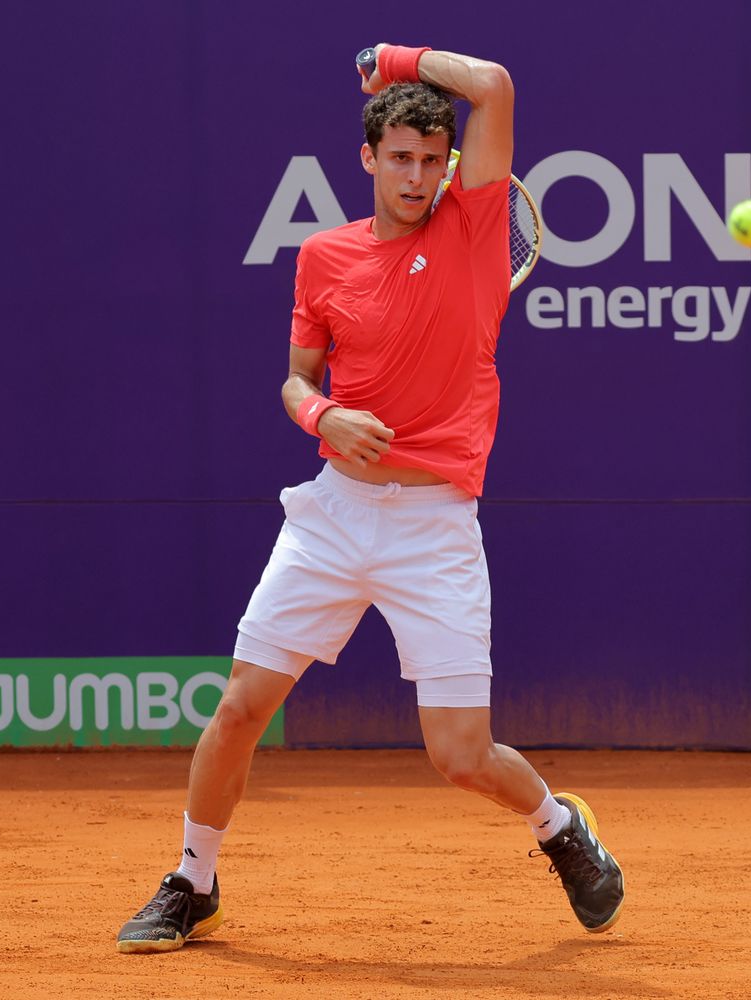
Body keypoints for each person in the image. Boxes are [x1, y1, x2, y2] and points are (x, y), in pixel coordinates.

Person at [116, 43, 625, 954]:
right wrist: (324, 418)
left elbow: (495, 85)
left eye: (434, 160)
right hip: (334, 514)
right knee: (238, 708)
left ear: (451, 166)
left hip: (434, 528)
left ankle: (558, 825)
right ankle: (193, 880)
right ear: (368, 159)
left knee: (460, 757)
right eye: (401, 157)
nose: (418, 175)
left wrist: (391, 59)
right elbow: (294, 379)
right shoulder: (322, 257)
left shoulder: (474, 226)